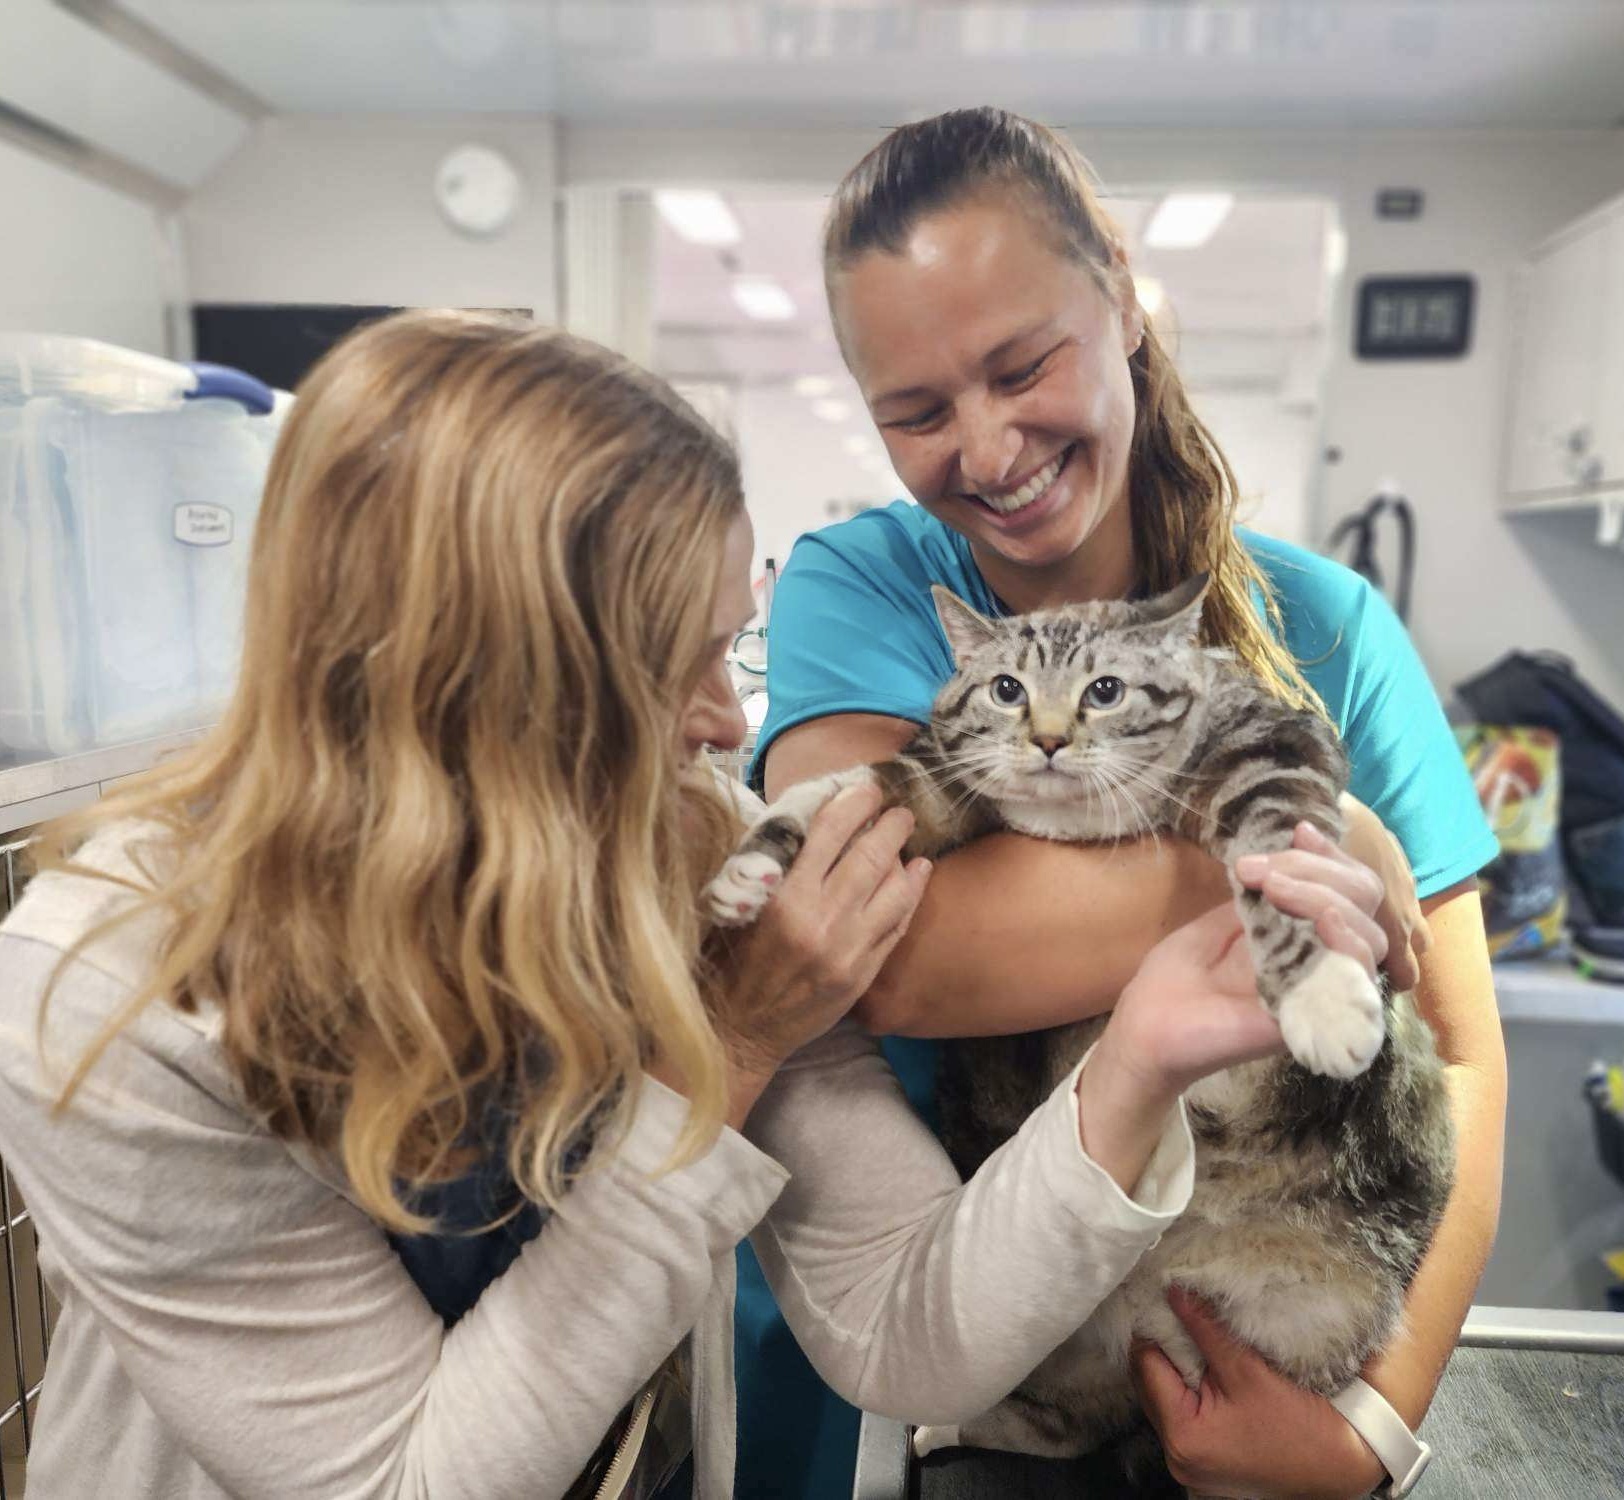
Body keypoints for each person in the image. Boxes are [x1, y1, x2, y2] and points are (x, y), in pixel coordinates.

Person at [0, 311, 1396, 1500]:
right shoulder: (107, 990)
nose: (731, 725)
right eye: (675, 668)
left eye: (734, 640)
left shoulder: (688, 850)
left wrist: (1133, 1062)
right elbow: (408, 1479)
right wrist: (718, 1061)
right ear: (474, 687)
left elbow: (905, 1328)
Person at [740, 107, 1505, 1500]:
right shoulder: (859, 591)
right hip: (935, 1380)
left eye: (1019, 365)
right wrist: (1299, 842)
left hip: (1275, 1351)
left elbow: (1455, 1054)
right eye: (914, 411)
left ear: (1119, 293)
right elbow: (887, 950)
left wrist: (1370, 1433)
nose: (983, 447)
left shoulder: (1327, 627)